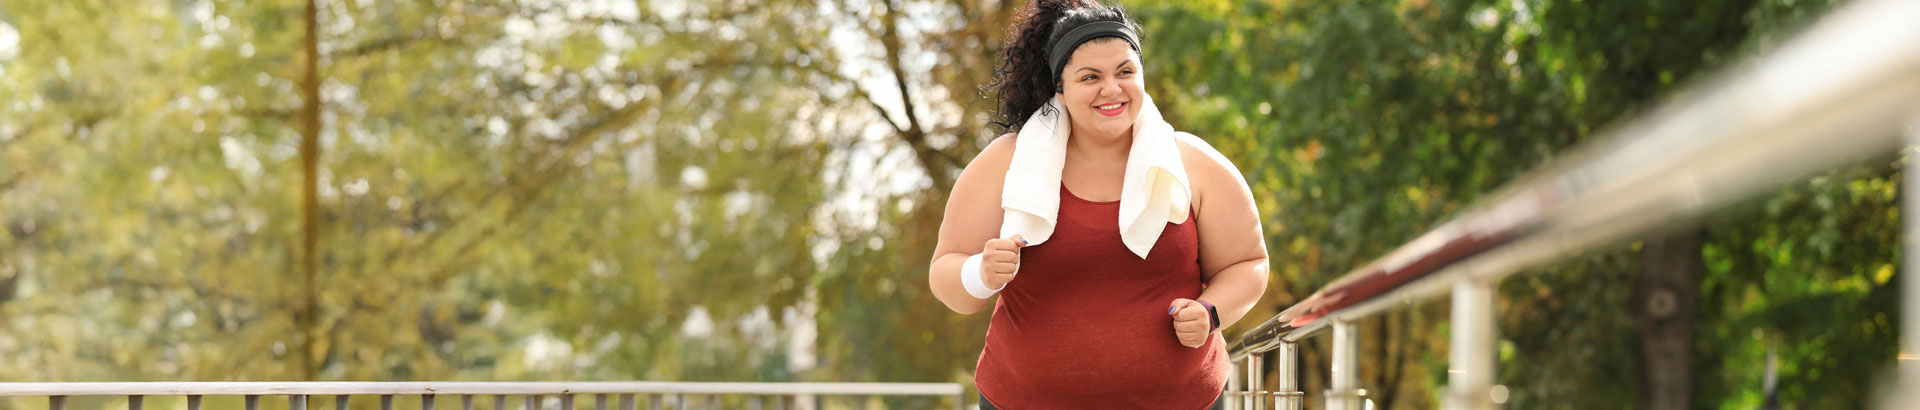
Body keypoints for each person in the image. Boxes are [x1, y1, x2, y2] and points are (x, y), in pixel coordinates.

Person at [925, 0, 1272, 408]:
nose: (1112, 89)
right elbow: (946, 277)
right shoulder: (1006, 162)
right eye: (1090, 77)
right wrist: (980, 273)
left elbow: (1248, 263)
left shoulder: (1194, 163)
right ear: (1061, 88)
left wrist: (1211, 312)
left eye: (1125, 71)